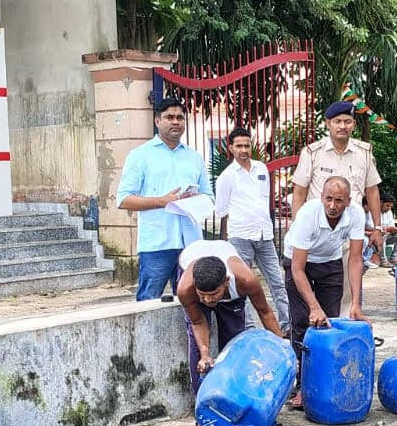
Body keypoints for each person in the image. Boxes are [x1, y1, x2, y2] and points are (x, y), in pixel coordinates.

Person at [116, 95, 211, 301]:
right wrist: (162, 201)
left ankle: (188, 335)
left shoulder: (194, 157)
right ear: (157, 121)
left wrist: (194, 200)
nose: (176, 122)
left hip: (191, 243)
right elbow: (123, 199)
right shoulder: (140, 156)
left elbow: (208, 196)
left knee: (193, 301)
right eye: (169, 117)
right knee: (149, 301)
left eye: (180, 117)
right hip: (157, 244)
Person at [283, 176, 366, 402]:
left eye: (339, 200)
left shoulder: (356, 214)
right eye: (328, 199)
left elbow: (356, 260)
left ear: (348, 201)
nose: (332, 206)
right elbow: (298, 269)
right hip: (297, 261)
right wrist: (313, 307)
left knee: (328, 322)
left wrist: (357, 303)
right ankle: (301, 387)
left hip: (330, 262)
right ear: (321, 197)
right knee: (302, 322)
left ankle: (324, 382)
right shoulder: (308, 215)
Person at [175, 238, 285, 395]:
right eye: (203, 295)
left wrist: (283, 348)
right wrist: (205, 354)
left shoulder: (246, 281)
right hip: (191, 256)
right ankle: (202, 402)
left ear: (226, 282)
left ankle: (233, 394)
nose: (207, 300)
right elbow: (198, 322)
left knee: (234, 341)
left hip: (231, 282)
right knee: (199, 352)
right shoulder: (186, 289)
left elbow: (265, 312)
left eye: (213, 294)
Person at [214, 125, 290, 328]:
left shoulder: (261, 169)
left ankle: (286, 325)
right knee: (243, 284)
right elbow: (221, 211)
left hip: (265, 235)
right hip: (240, 237)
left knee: (277, 283)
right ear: (230, 148)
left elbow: (265, 201)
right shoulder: (226, 177)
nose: (244, 150)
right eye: (239, 146)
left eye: (247, 145)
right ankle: (248, 328)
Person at [291, 100, 384, 252]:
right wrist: (296, 226)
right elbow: (299, 192)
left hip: (351, 231)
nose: (342, 126)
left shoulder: (364, 152)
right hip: (318, 230)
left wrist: (378, 228)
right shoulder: (312, 153)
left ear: (353, 124)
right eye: (337, 121)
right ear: (328, 123)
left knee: (352, 272)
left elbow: (372, 191)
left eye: (347, 121)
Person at [363, 192, 397, 267]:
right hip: (373, 237)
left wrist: (395, 229)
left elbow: (390, 227)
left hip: (385, 235)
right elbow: (369, 227)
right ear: (381, 202)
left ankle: (394, 258)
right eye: (387, 205)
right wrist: (381, 230)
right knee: (381, 235)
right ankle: (383, 260)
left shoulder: (389, 212)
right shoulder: (371, 211)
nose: (389, 208)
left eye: (390, 207)